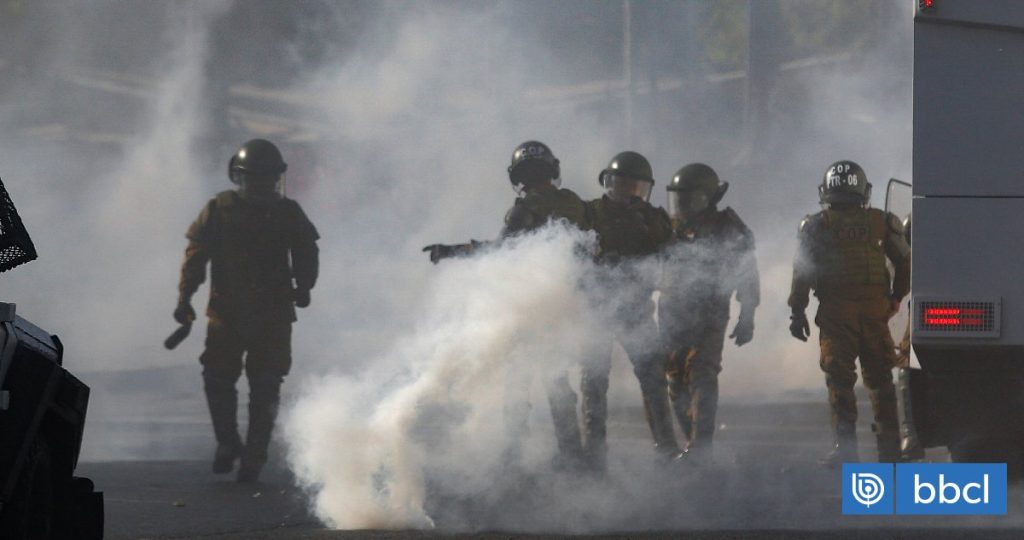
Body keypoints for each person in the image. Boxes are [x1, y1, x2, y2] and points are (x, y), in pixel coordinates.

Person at [423, 140, 590, 470]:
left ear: (520, 177)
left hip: (528, 308)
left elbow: (501, 251)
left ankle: (513, 457)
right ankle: (573, 456)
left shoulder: (523, 210)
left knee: (517, 383)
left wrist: (452, 251)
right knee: (557, 384)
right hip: (563, 308)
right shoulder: (574, 204)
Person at [176, 138, 319, 482]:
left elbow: (195, 260)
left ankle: (229, 444)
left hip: (227, 315)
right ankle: (254, 455)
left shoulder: (219, 209)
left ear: (237, 174)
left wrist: (185, 300)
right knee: (266, 385)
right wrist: (303, 288)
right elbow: (307, 255)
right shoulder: (288, 212)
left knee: (219, 379)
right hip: (272, 316)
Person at [788, 160, 910, 466]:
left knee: (839, 383)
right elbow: (906, 261)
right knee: (881, 380)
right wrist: (896, 297)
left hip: (836, 316)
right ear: (862, 190)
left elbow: (802, 273)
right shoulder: (881, 221)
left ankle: (845, 451)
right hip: (874, 313)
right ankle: (891, 452)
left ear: (827, 190)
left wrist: (797, 312)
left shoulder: (815, 226)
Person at [582, 151, 677, 470]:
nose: (628, 193)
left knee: (653, 380)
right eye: (622, 186)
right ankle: (594, 453)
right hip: (597, 312)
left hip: (636, 311)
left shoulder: (653, 218)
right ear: (609, 184)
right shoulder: (590, 214)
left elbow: (673, 257)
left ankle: (666, 448)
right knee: (594, 383)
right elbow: (568, 253)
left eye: (635, 188)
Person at [659, 163, 759, 463]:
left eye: (688, 198)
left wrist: (747, 316)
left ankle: (701, 448)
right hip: (672, 311)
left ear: (705, 198)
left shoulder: (728, 228)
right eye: (679, 198)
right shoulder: (670, 227)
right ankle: (692, 438)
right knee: (675, 379)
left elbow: (747, 274)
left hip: (709, 312)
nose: (682, 206)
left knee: (702, 373)